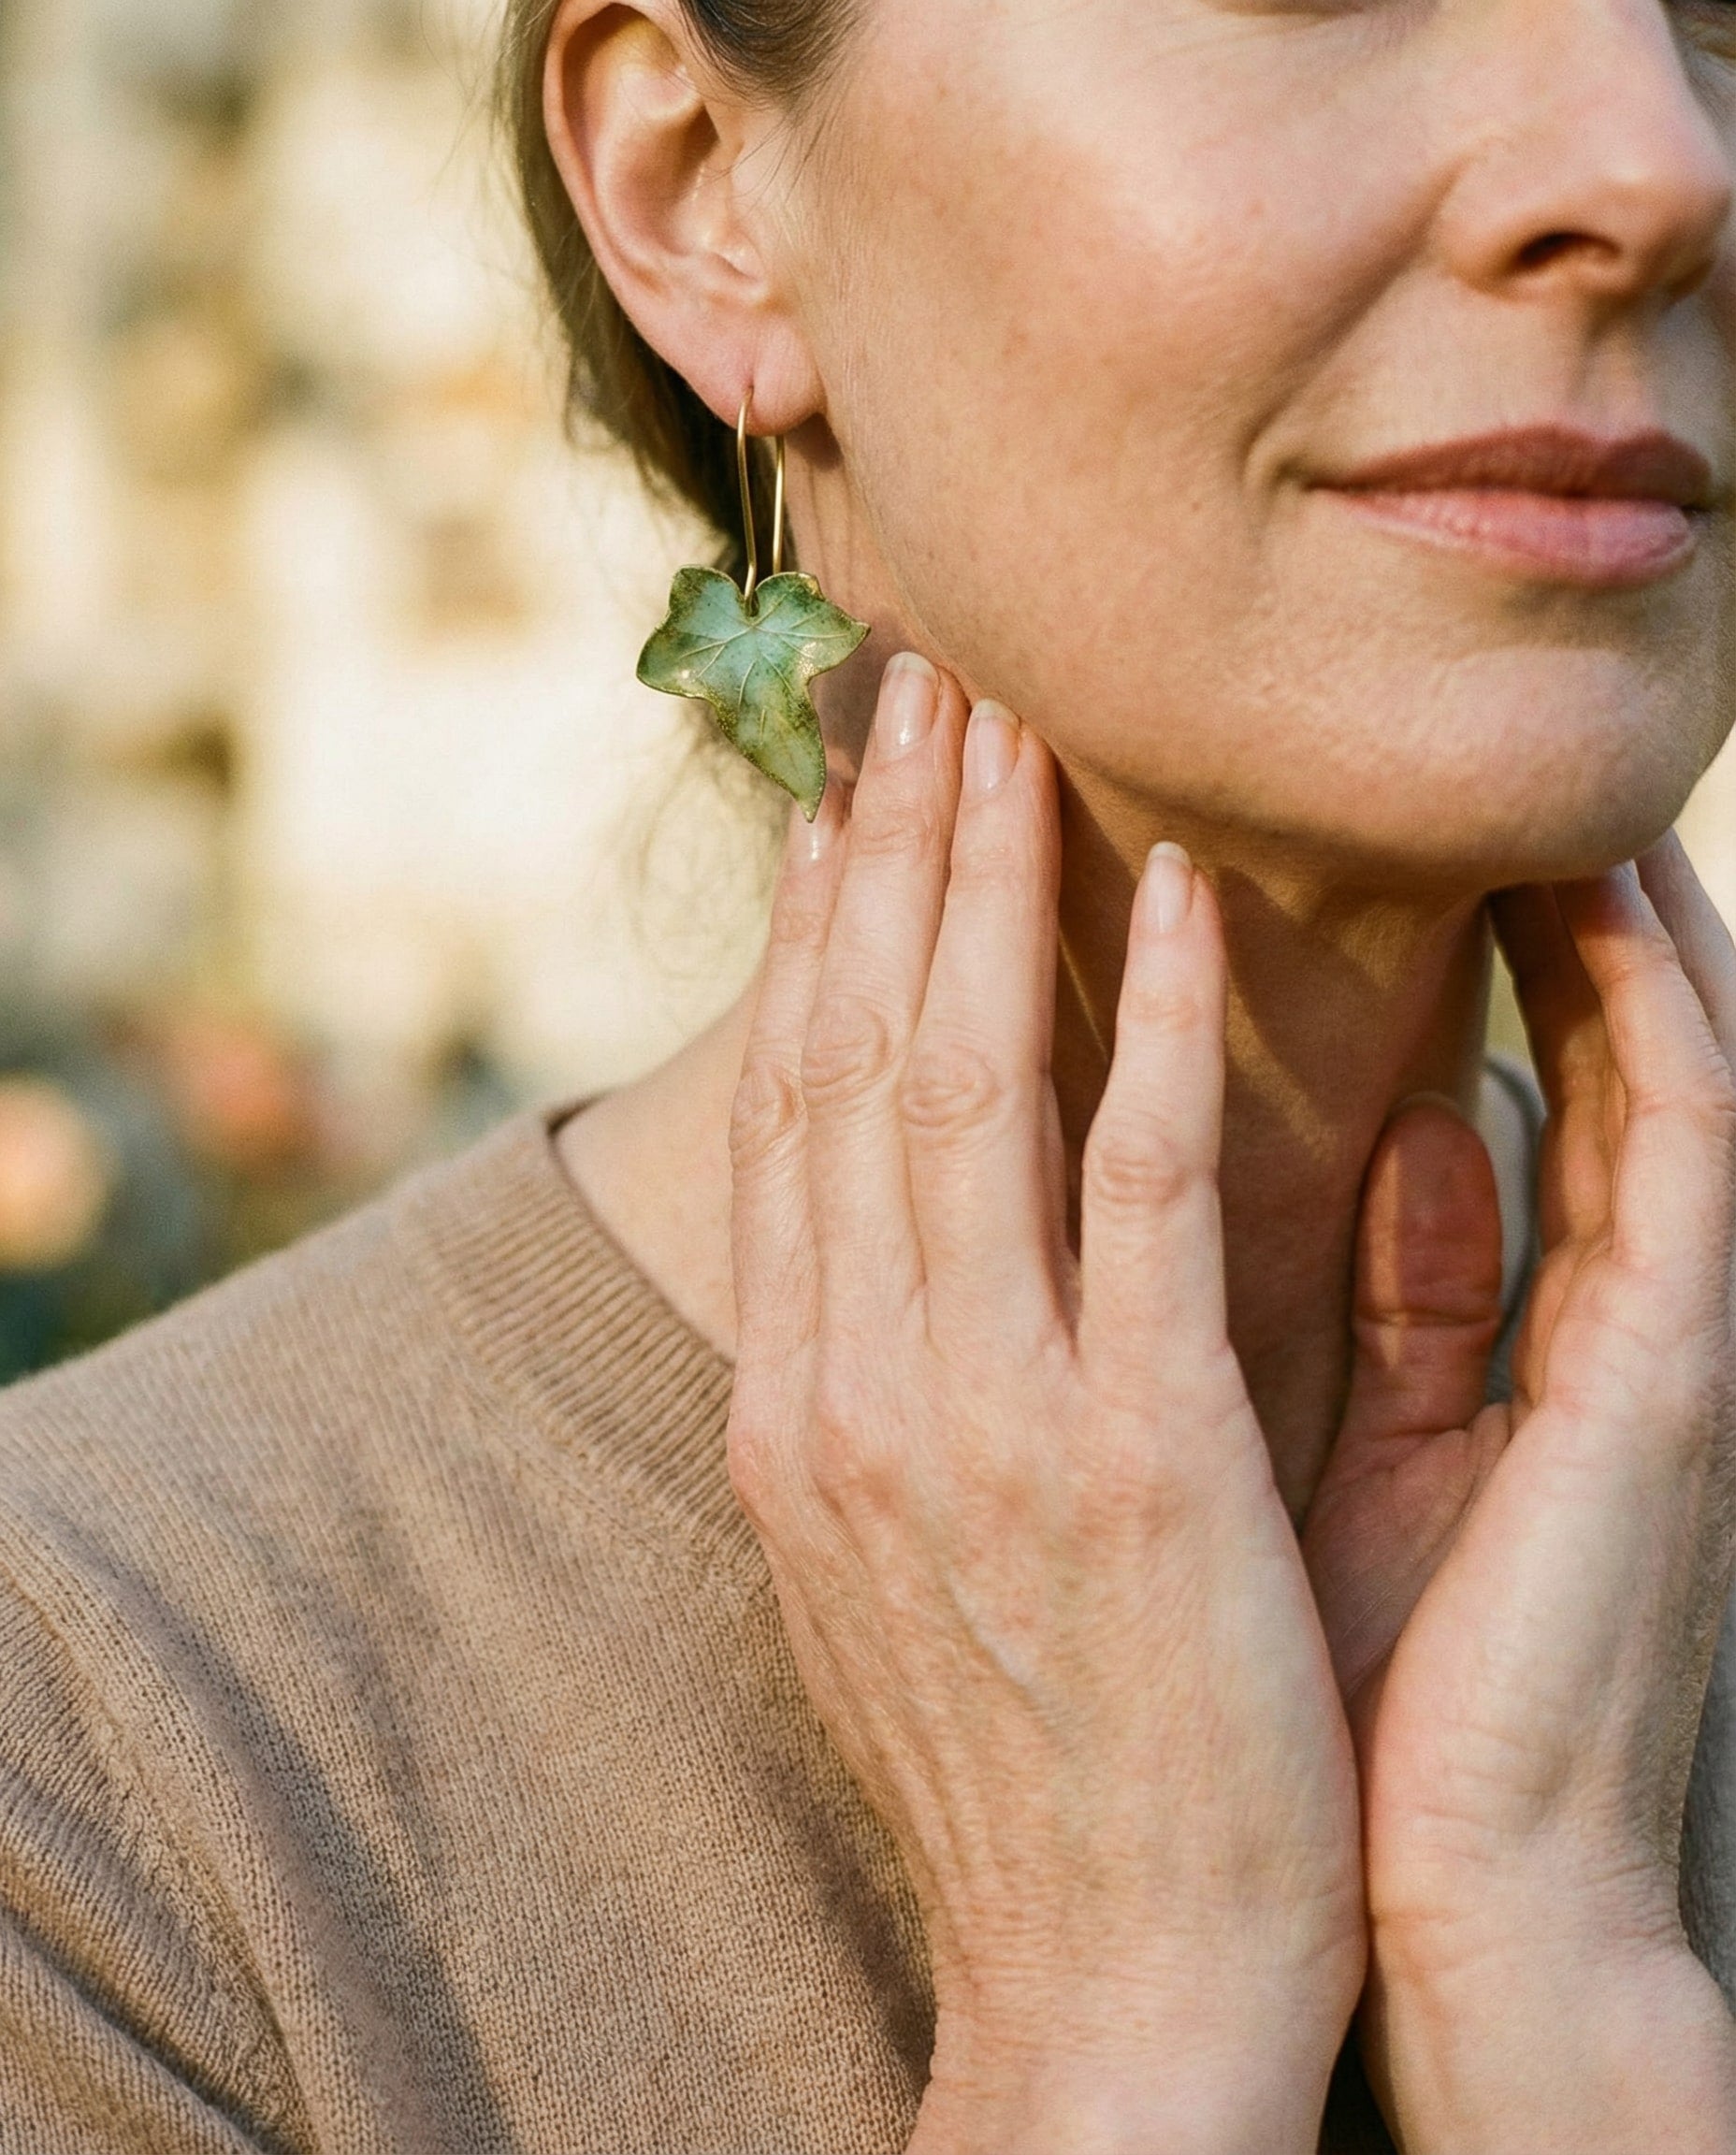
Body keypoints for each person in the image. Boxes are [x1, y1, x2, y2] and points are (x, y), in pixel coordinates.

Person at [3, 0, 1736, 2148]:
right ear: (695, 185)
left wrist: (1563, 1994)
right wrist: (1120, 2040)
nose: (1657, 164)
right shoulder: (90, 1773)